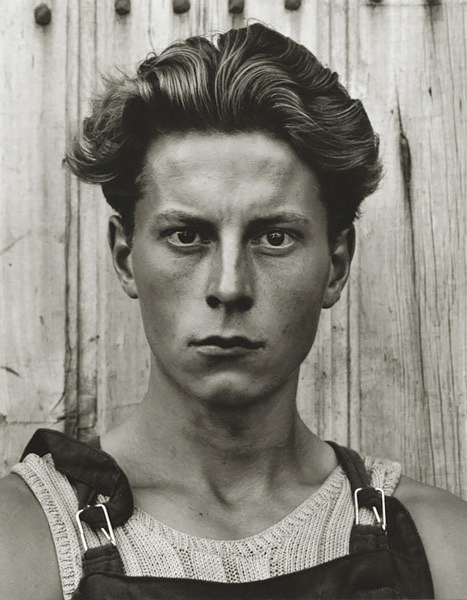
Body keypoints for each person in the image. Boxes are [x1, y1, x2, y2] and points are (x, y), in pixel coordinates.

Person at [0, 22, 466, 600]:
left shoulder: (440, 544)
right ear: (125, 257)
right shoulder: (21, 541)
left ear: (337, 264)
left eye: (274, 238)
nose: (229, 286)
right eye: (186, 235)